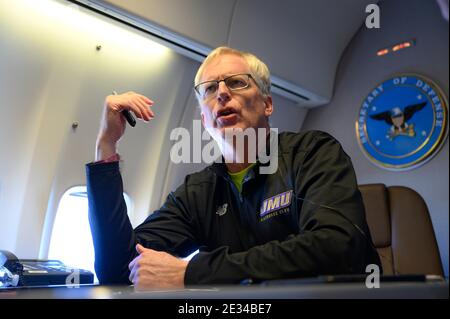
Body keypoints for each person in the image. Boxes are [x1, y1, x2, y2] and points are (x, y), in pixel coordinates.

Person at [86, 46, 381, 290]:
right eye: (210, 89)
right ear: (204, 119)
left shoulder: (313, 154)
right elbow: (119, 272)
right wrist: (106, 145)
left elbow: (336, 248)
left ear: (267, 104)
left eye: (237, 82)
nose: (222, 93)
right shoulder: (198, 193)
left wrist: (193, 272)